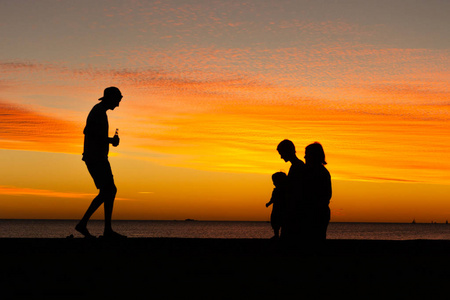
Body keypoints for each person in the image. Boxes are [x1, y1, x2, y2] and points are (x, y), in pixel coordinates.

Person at [75, 87, 126, 239]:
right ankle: (90, 226)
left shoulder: (100, 112)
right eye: (117, 100)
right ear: (110, 98)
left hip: (98, 158)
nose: (118, 104)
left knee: (109, 191)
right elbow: (88, 132)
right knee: (109, 190)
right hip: (95, 158)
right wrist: (110, 140)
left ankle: (103, 228)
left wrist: (109, 141)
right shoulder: (98, 112)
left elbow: (92, 133)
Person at [276, 139, 305, 238]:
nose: (281, 157)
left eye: (282, 153)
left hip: (295, 213)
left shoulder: (298, 167)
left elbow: (296, 191)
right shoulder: (296, 166)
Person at [303, 142, 332, 240]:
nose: (305, 157)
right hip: (316, 213)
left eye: (307, 154)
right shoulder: (316, 172)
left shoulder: (320, 173)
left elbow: (326, 195)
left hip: (316, 214)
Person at [266, 172, 287, 239]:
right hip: (276, 208)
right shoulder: (276, 190)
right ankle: (277, 235)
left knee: (280, 221)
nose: (273, 183)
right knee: (275, 222)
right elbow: (272, 199)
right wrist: (269, 203)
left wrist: (269, 203)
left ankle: (280, 235)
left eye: (275, 181)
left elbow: (274, 199)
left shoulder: (282, 191)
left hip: (280, 208)